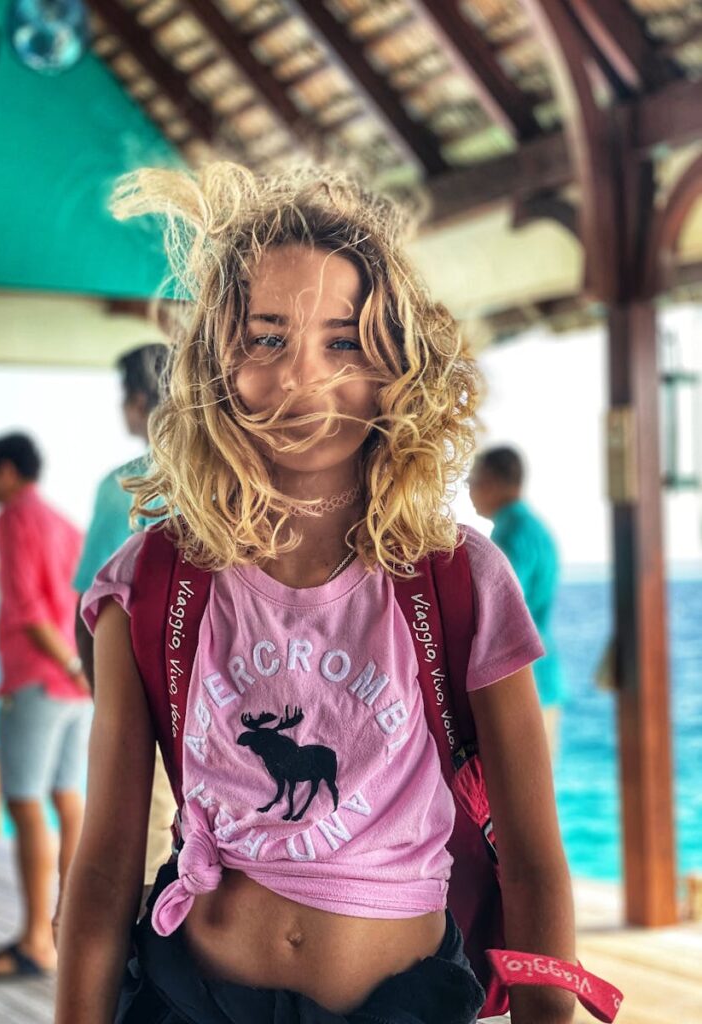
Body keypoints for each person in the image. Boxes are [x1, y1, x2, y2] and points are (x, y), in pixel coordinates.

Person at [55, 164, 576, 1024]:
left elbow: (532, 860)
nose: (303, 377)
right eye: (266, 338)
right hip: (187, 999)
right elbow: (107, 862)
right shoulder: (147, 586)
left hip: (400, 1003)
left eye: (343, 342)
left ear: (398, 365)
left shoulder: (458, 580)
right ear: (214, 361)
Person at [0, 433, 90, 979]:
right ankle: (68, 927)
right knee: (68, 801)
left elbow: (29, 608)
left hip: (42, 680)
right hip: (76, 685)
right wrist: (82, 668)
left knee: (24, 804)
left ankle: (35, 940)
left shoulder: (13, 519)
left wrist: (64, 663)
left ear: (7, 470)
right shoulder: (63, 523)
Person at [72, 341, 177, 883]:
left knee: (142, 841)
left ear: (138, 401)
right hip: (220, 691)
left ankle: (142, 959)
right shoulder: (227, 475)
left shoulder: (124, 485)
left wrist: (103, 698)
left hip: (143, 692)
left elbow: (89, 603)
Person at [468, 447, 567, 757]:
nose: (469, 489)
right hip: (542, 676)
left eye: (474, 480)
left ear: (495, 483)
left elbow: (499, 608)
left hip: (523, 682)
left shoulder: (512, 536)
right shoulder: (534, 530)